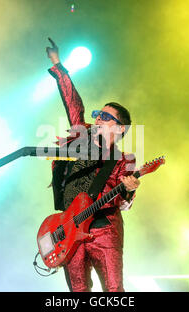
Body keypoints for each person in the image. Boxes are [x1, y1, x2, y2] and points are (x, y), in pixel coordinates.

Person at [46, 38, 140, 292]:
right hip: (70, 231)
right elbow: (73, 103)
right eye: (99, 113)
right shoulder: (81, 136)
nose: (98, 117)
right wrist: (57, 63)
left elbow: (124, 203)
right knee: (78, 292)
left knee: (113, 291)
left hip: (104, 231)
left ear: (120, 128)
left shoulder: (124, 160)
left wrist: (129, 189)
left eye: (106, 116)